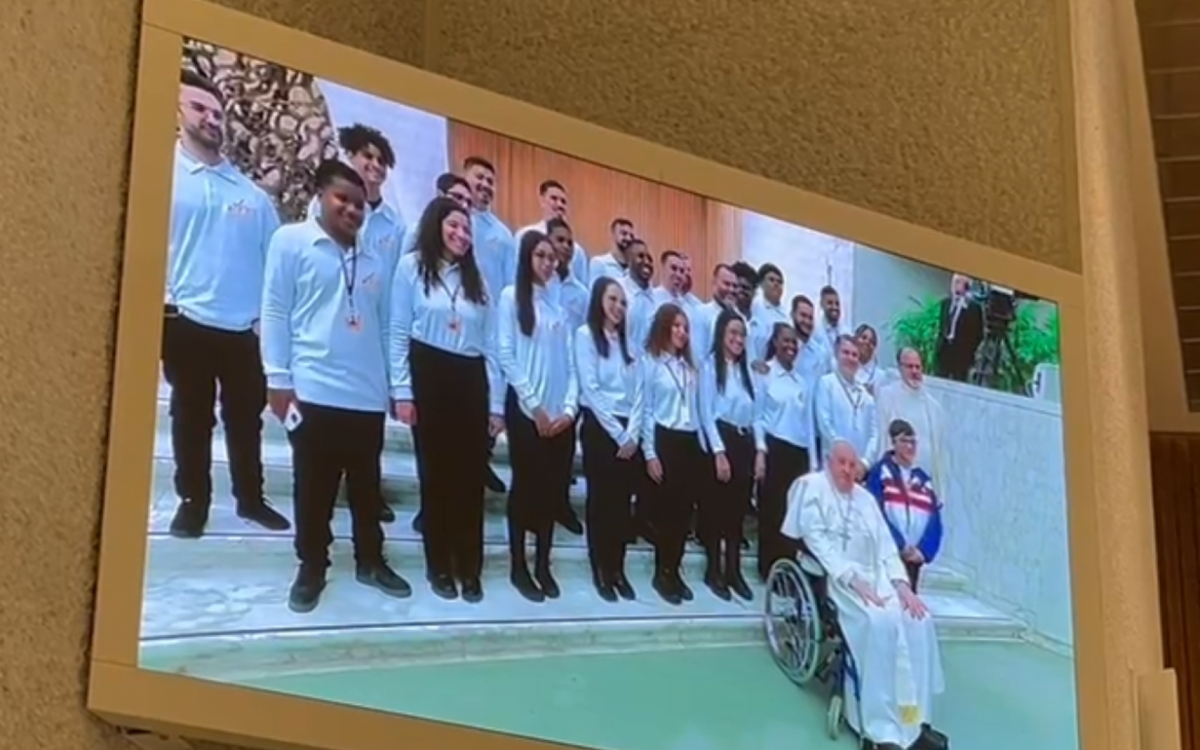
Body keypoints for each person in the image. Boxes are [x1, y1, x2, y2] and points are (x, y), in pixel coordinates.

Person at [261, 160, 411, 613]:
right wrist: (277, 378)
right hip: (313, 391)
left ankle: (371, 559)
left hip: (364, 396)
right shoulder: (291, 242)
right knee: (315, 490)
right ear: (320, 195)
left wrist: (393, 385)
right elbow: (274, 311)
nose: (352, 209)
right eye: (342, 199)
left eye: (360, 203)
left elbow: (386, 326)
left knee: (368, 489)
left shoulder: (374, 258)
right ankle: (312, 566)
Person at [163, 71, 289, 539]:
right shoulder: (163, 176)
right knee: (190, 416)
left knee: (245, 420)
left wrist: (266, 326)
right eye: (199, 108)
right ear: (177, 111)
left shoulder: (251, 195)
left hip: (244, 331)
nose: (211, 118)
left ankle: (251, 499)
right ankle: (193, 501)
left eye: (217, 112)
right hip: (186, 322)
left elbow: (275, 265)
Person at [782, 440, 948, 750]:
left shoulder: (866, 500)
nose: (847, 470)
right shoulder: (813, 489)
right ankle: (879, 728)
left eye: (852, 464)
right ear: (830, 463)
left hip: (882, 578)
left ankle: (915, 720)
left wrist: (902, 586)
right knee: (879, 623)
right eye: (841, 463)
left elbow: (886, 547)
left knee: (918, 620)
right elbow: (818, 544)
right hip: (842, 580)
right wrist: (853, 580)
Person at [389, 196, 505, 603]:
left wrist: (496, 404)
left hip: (470, 379)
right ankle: (438, 564)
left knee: (469, 480)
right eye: (454, 225)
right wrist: (402, 390)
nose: (461, 234)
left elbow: (492, 345)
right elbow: (398, 331)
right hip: (429, 374)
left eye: (467, 228)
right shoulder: (411, 267)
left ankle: (469, 568)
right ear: (436, 224)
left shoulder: (479, 281)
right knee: (435, 478)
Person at [497, 231, 579, 602]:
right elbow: (507, 355)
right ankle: (519, 564)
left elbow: (571, 366)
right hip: (528, 414)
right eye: (541, 256)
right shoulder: (511, 298)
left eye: (552, 257)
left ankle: (543, 563)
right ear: (528, 258)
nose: (549, 263)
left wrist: (568, 411)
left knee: (549, 492)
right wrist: (535, 407)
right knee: (525, 490)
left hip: (559, 419)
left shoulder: (558, 309)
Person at [575, 277, 643, 602]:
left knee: (621, 505)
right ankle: (600, 566)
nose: (618, 307)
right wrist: (617, 433)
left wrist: (633, 432)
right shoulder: (586, 336)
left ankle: (618, 567)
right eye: (613, 300)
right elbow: (590, 388)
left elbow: (640, 392)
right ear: (600, 301)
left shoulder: (631, 343)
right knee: (601, 502)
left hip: (629, 431)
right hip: (601, 429)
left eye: (623, 302)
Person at [640, 303, 705, 605]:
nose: (681, 332)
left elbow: (698, 410)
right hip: (665, 440)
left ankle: (675, 569)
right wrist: (650, 452)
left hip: (689, 441)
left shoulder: (690, 367)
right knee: (666, 514)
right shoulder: (652, 362)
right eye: (676, 326)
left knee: (683, 514)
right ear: (665, 327)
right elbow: (647, 410)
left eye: (685, 327)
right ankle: (661, 572)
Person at [698, 309, 762, 601]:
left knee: (737, 514)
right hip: (721, 441)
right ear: (722, 335)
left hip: (744, 442)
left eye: (742, 334)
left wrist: (760, 450)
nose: (738, 339)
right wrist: (719, 453)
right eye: (733, 333)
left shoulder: (748, 373)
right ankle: (714, 570)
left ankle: (734, 571)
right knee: (716, 511)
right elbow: (706, 413)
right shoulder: (710, 366)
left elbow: (758, 415)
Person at [462, 155, 515, 497]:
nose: (484, 186)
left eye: (489, 181)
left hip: (491, 326)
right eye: (478, 178)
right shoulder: (453, 220)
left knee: (493, 396)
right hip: (455, 323)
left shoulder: (502, 233)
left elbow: (509, 284)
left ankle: (482, 460)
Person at [753, 323, 813, 581]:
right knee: (772, 511)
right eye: (785, 341)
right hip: (774, 448)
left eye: (794, 342)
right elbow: (757, 416)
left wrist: (812, 464)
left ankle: (787, 570)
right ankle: (768, 568)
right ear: (775, 342)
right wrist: (761, 451)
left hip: (798, 453)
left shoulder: (802, 381)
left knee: (793, 514)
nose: (790, 346)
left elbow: (808, 424)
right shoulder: (764, 374)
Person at [865, 420, 944, 592]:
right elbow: (874, 512)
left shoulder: (923, 480)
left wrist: (923, 551)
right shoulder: (880, 473)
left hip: (914, 560)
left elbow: (935, 521)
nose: (910, 446)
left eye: (913, 442)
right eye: (904, 441)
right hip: (887, 556)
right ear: (893, 443)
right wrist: (898, 545)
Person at [875, 348, 949, 496]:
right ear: (900, 368)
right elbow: (881, 440)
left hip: (924, 485)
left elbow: (940, 453)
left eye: (918, 366)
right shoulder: (887, 396)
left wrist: (939, 491)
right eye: (909, 366)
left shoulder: (934, 407)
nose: (914, 371)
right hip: (894, 483)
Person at [814, 335, 878, 473]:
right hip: (833, 464)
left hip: (858, 470)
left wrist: (865, 463)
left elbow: (875, 434)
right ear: (836, 355)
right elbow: (825, 424)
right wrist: (842, 453)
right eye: (846, 353)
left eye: (854, 355)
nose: (850, 358)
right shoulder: (827, 383)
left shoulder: (866, 396)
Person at [516, 179, 588, 283]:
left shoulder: (577, 251)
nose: (559, 205)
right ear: (542, 200)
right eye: (554, 199)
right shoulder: (524, 235)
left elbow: (582, 287)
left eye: (563, 201)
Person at [934, 273, 984, 382]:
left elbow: (978, 334)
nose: (954, 286)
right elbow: (942, 326)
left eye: (958, 282)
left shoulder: (973, 307)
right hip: (945, 350)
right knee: (940, 378)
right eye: (954, 282)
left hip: (961, 353)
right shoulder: (946, 303)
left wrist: (970, 351)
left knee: (958, 380)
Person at [546, 218, 590, 335]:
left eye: (570, 243)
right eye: (560, 240)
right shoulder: (537, 287)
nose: (566, 246)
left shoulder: (582, 294)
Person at [689, 264, 740, 364]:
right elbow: (698, 356)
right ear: (714, 283)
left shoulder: (741, 318)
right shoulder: (701, 313)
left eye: (734, 286)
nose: (731, 290)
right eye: (726, 284)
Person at [621, 238, 659, 353]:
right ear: (628, 260)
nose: (646, 262)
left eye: (649, 258)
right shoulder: (618, 291)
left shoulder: (657, 300)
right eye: (640, 256)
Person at [749, 263, 789, 362]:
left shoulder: (787, 317)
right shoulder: (754, 307)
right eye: (771, 280)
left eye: (779, 282)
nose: (776, 284)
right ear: (761, 284)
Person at [588, 217, 636, 286]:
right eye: (624, 234)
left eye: (631, 236)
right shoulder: (599, 263)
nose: (628, 238)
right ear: (613, 235)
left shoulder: (634, 268)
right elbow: (594, 292)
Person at [815, 285, 850, 368]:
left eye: (837, 304)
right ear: (821, 304)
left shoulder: (847, 332)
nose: (834, 307)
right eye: (830, 303)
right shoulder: (815, 332)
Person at [854, 324, 893, 396]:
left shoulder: (881, 376)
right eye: (863, 338)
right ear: (855, 339)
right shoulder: (845, 369)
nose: (867, 342)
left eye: (872, 342)